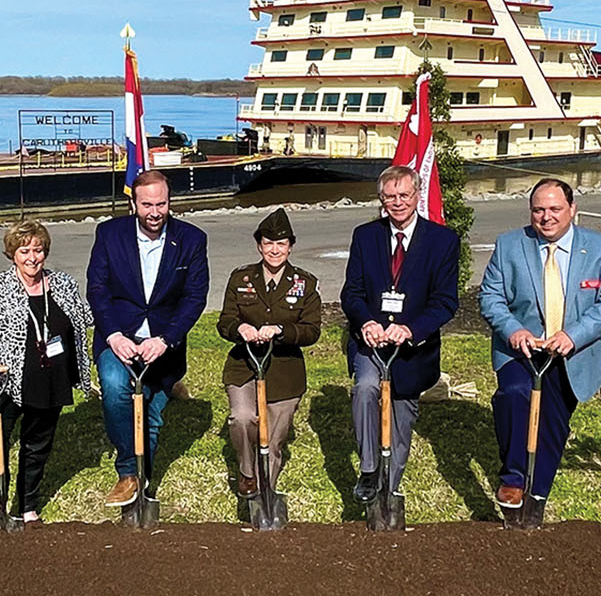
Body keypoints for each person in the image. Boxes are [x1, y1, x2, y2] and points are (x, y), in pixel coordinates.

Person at [478, 178, 601, 527]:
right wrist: (514, 331)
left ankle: (538, 494)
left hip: (571, 352)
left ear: (572, 210)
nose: (546, 217)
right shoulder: (509, 245)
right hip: (522, 349)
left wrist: (573, 336)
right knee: (513, 396)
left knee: (552, 424)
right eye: (539, 210)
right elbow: (491, 297)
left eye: (555, 209)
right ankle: (513, 479)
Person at [86, 169, 209, 506]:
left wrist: (166, 339)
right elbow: (98, 290)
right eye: (147, 205)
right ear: (133, 203)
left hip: (163, 343)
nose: (155, 212)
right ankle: (128, 472)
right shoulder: (109, 234)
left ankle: (144, 478)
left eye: (162, 204)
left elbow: (195, 297)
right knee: (114, 387)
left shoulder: (191, 239)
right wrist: (112, 335)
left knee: (151, 416)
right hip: (120, 336)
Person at [340, 164, 460, 502]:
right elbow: (352, 292)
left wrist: (410, 329)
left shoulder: (443, 240)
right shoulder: (365, 236)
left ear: (417, 195)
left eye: (404, 195)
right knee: (365, 389)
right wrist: (366, 322)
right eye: (390, 197)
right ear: (381, 199)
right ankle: (368, 470)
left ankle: (390, 485)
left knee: (402, 416)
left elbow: (445, 302)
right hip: (371, 343)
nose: (397, 203)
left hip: (412, 348)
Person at [0, 220, 93, 528]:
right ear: (12, 253)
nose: (32, 257)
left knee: (37, 444)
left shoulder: (62, 284)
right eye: (24, 251)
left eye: (38, 250)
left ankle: (28, 504)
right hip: (5, 380)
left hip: (51, 378)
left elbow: (86, 317)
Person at [216, 208, 321, 496]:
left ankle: (266, 493)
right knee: (242, 417)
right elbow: (224, 322)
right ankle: (247, 472)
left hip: (285, 370)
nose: (275, 250)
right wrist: (241, 329)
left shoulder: (305, 283)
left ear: (290, 246)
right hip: (245, 365)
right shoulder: (241, 279)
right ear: (259, 245)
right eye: (269, 243)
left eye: (281, 244)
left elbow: (312, 330)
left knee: (273, 441)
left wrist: (281, 332)